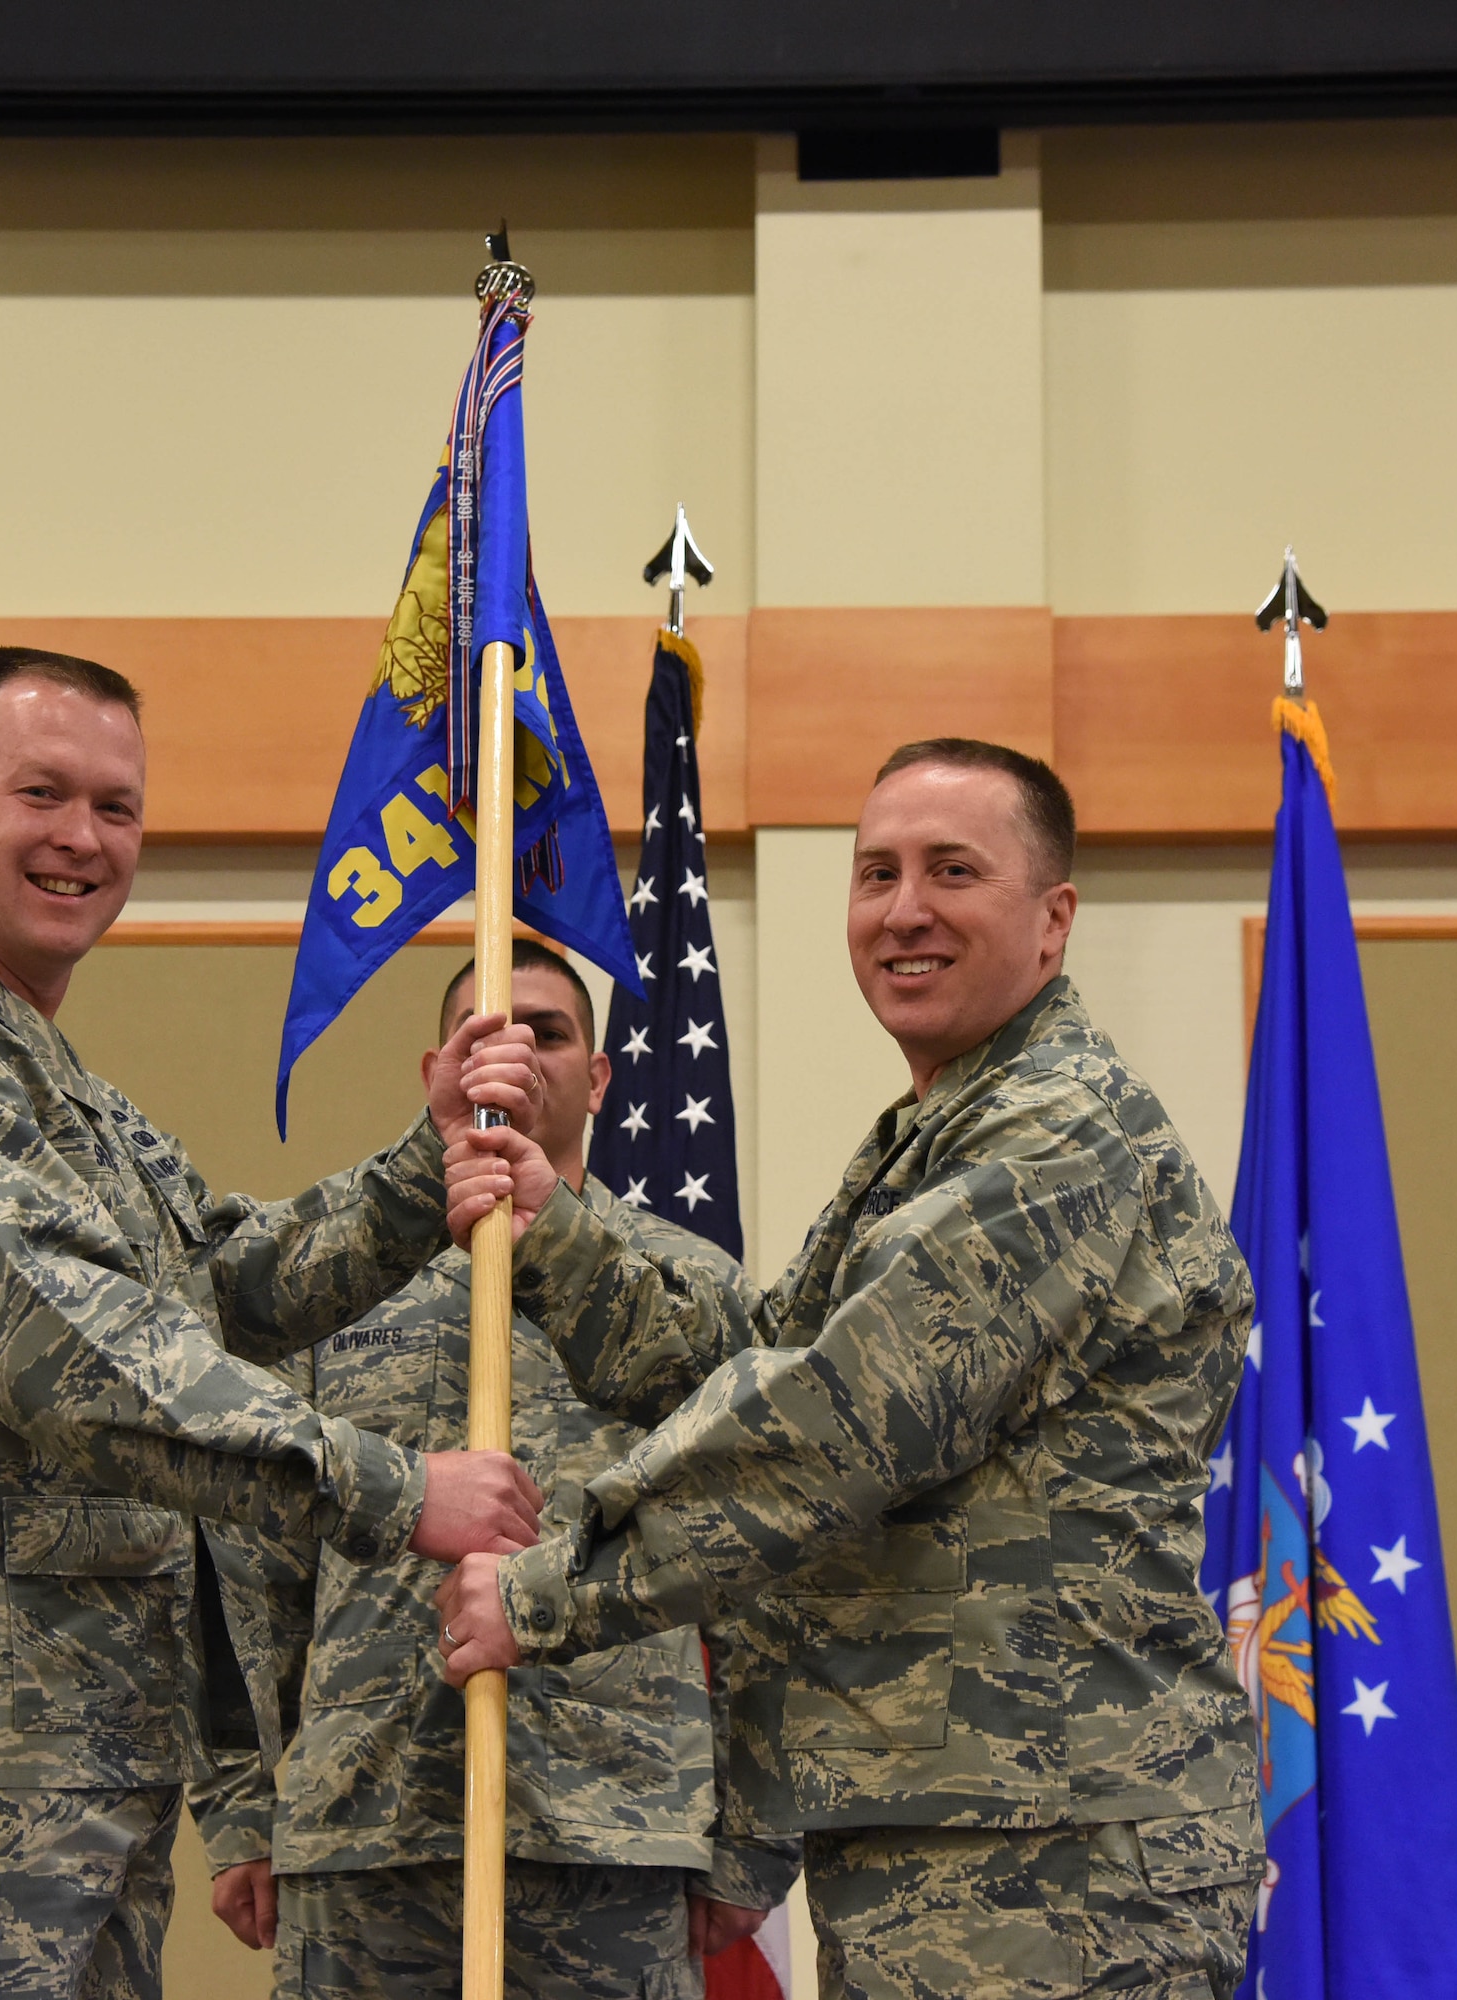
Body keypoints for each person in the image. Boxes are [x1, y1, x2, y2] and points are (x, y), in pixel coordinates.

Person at [0, 647, 545, 2000]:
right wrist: (392, 1489)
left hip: (57, 1786)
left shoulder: (51, 1085)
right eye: (42, 793)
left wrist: (416, 1179)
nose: (81, 839)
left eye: (117, 809)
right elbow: (85, 1363)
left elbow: (223, 1283)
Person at [436, 739, 1265, 1998]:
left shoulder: (1056, 1135)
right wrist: (559, 1234)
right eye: (874, 872)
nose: (903, 909)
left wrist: (545, 1592)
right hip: (952, 1825)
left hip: (1059, 1853)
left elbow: (828, 1427)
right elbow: (744, 1359)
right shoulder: (935, 1128)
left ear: (1052, 921)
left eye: (951, 870)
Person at [192, 939, 800, 2000]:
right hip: (366, 1829)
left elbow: (759, 1564)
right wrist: (241, 1807)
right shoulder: (345, 1284)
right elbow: (253, 1567)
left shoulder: (689, 1287)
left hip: (611, 1834)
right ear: (440, 1066)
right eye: (486, 1033)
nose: (514, 1059)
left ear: (601, 1074)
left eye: (549, 1033)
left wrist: (751, 1838)